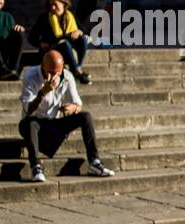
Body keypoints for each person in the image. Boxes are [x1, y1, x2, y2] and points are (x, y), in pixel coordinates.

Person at [19, 49, 115, 182]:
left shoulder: (66, 76)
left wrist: (73, 108)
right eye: (50, 72)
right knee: (30, 123)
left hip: (53, 123)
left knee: (85, 116)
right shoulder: (30, 76)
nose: (54, 76)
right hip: (33, 124)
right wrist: (42, 93)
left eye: (57, 72)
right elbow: (28, 110)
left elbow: (78, 104)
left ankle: (94, 162)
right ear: (43, 66)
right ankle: (36, 167)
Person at [28, 0, 95, 84]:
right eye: (51, 5)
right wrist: (40, 43)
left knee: (82, 39)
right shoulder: (44, 18)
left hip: (68, 53)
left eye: (55, 5)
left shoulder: (70, 16)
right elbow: (31, 37)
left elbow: (84, 31)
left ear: (64, 4)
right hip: (51, 50)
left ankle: (77, 67)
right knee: (64, 43)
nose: (52, 8)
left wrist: (78, 32)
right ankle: (77, 72)